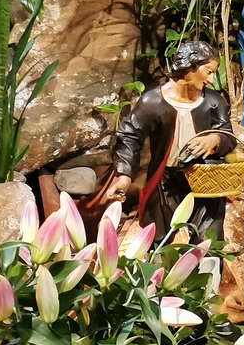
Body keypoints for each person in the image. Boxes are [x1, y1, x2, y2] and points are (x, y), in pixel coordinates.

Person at [93, 40, 236, 237]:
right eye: (208, 71)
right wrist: (124, 175)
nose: (211, 79)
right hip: (165, 180)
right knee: (157, 235)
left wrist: (215, 139)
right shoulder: (153, 101)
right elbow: (129, 135)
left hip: (203, 178)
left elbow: (228, 135)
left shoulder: (213, 101)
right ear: (191, 66)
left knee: (208, 238)